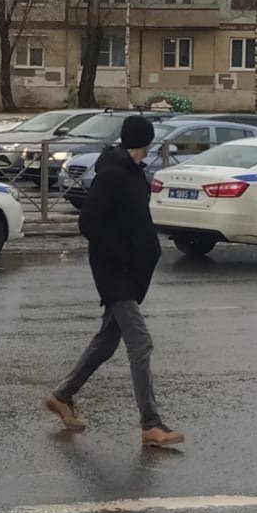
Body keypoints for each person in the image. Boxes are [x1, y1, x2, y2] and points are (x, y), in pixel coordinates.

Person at [46, 114, 184, 449]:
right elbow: (89, 222)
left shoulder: (132, 172)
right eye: (149, 142)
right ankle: (151, 424)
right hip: (115, 272)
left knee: (107, 342)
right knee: (141, 343)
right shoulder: (113, 174)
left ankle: (62, 396)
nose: (150, 148)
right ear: (143, 142)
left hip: (129, 272)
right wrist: (123, 253)